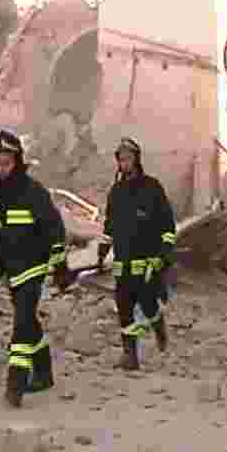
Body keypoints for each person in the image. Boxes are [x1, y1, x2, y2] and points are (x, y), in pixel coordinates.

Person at [0, 129, 72, 407]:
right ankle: (45, 373)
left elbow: (55, 228)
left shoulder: (33, 192)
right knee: (29, 320)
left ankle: (16, 382)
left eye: (6, 163)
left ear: (18, 162)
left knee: (22, 323)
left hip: (34, 267)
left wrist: (60, 264)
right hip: (14, 270)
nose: (1, 169)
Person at [97, 137, 177, 370]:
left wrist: (164, 254)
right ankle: (130, 355)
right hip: (123, 262)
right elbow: (109, 227)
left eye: (128, 159)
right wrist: (102, 254)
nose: (124, 164)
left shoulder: (152, 188)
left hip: (147, 262)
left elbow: (167, 225)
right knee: (123, 306)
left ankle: (158, 327)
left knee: (148, 304)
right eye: (121, 160)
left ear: (137, 160)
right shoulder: (116, 192)